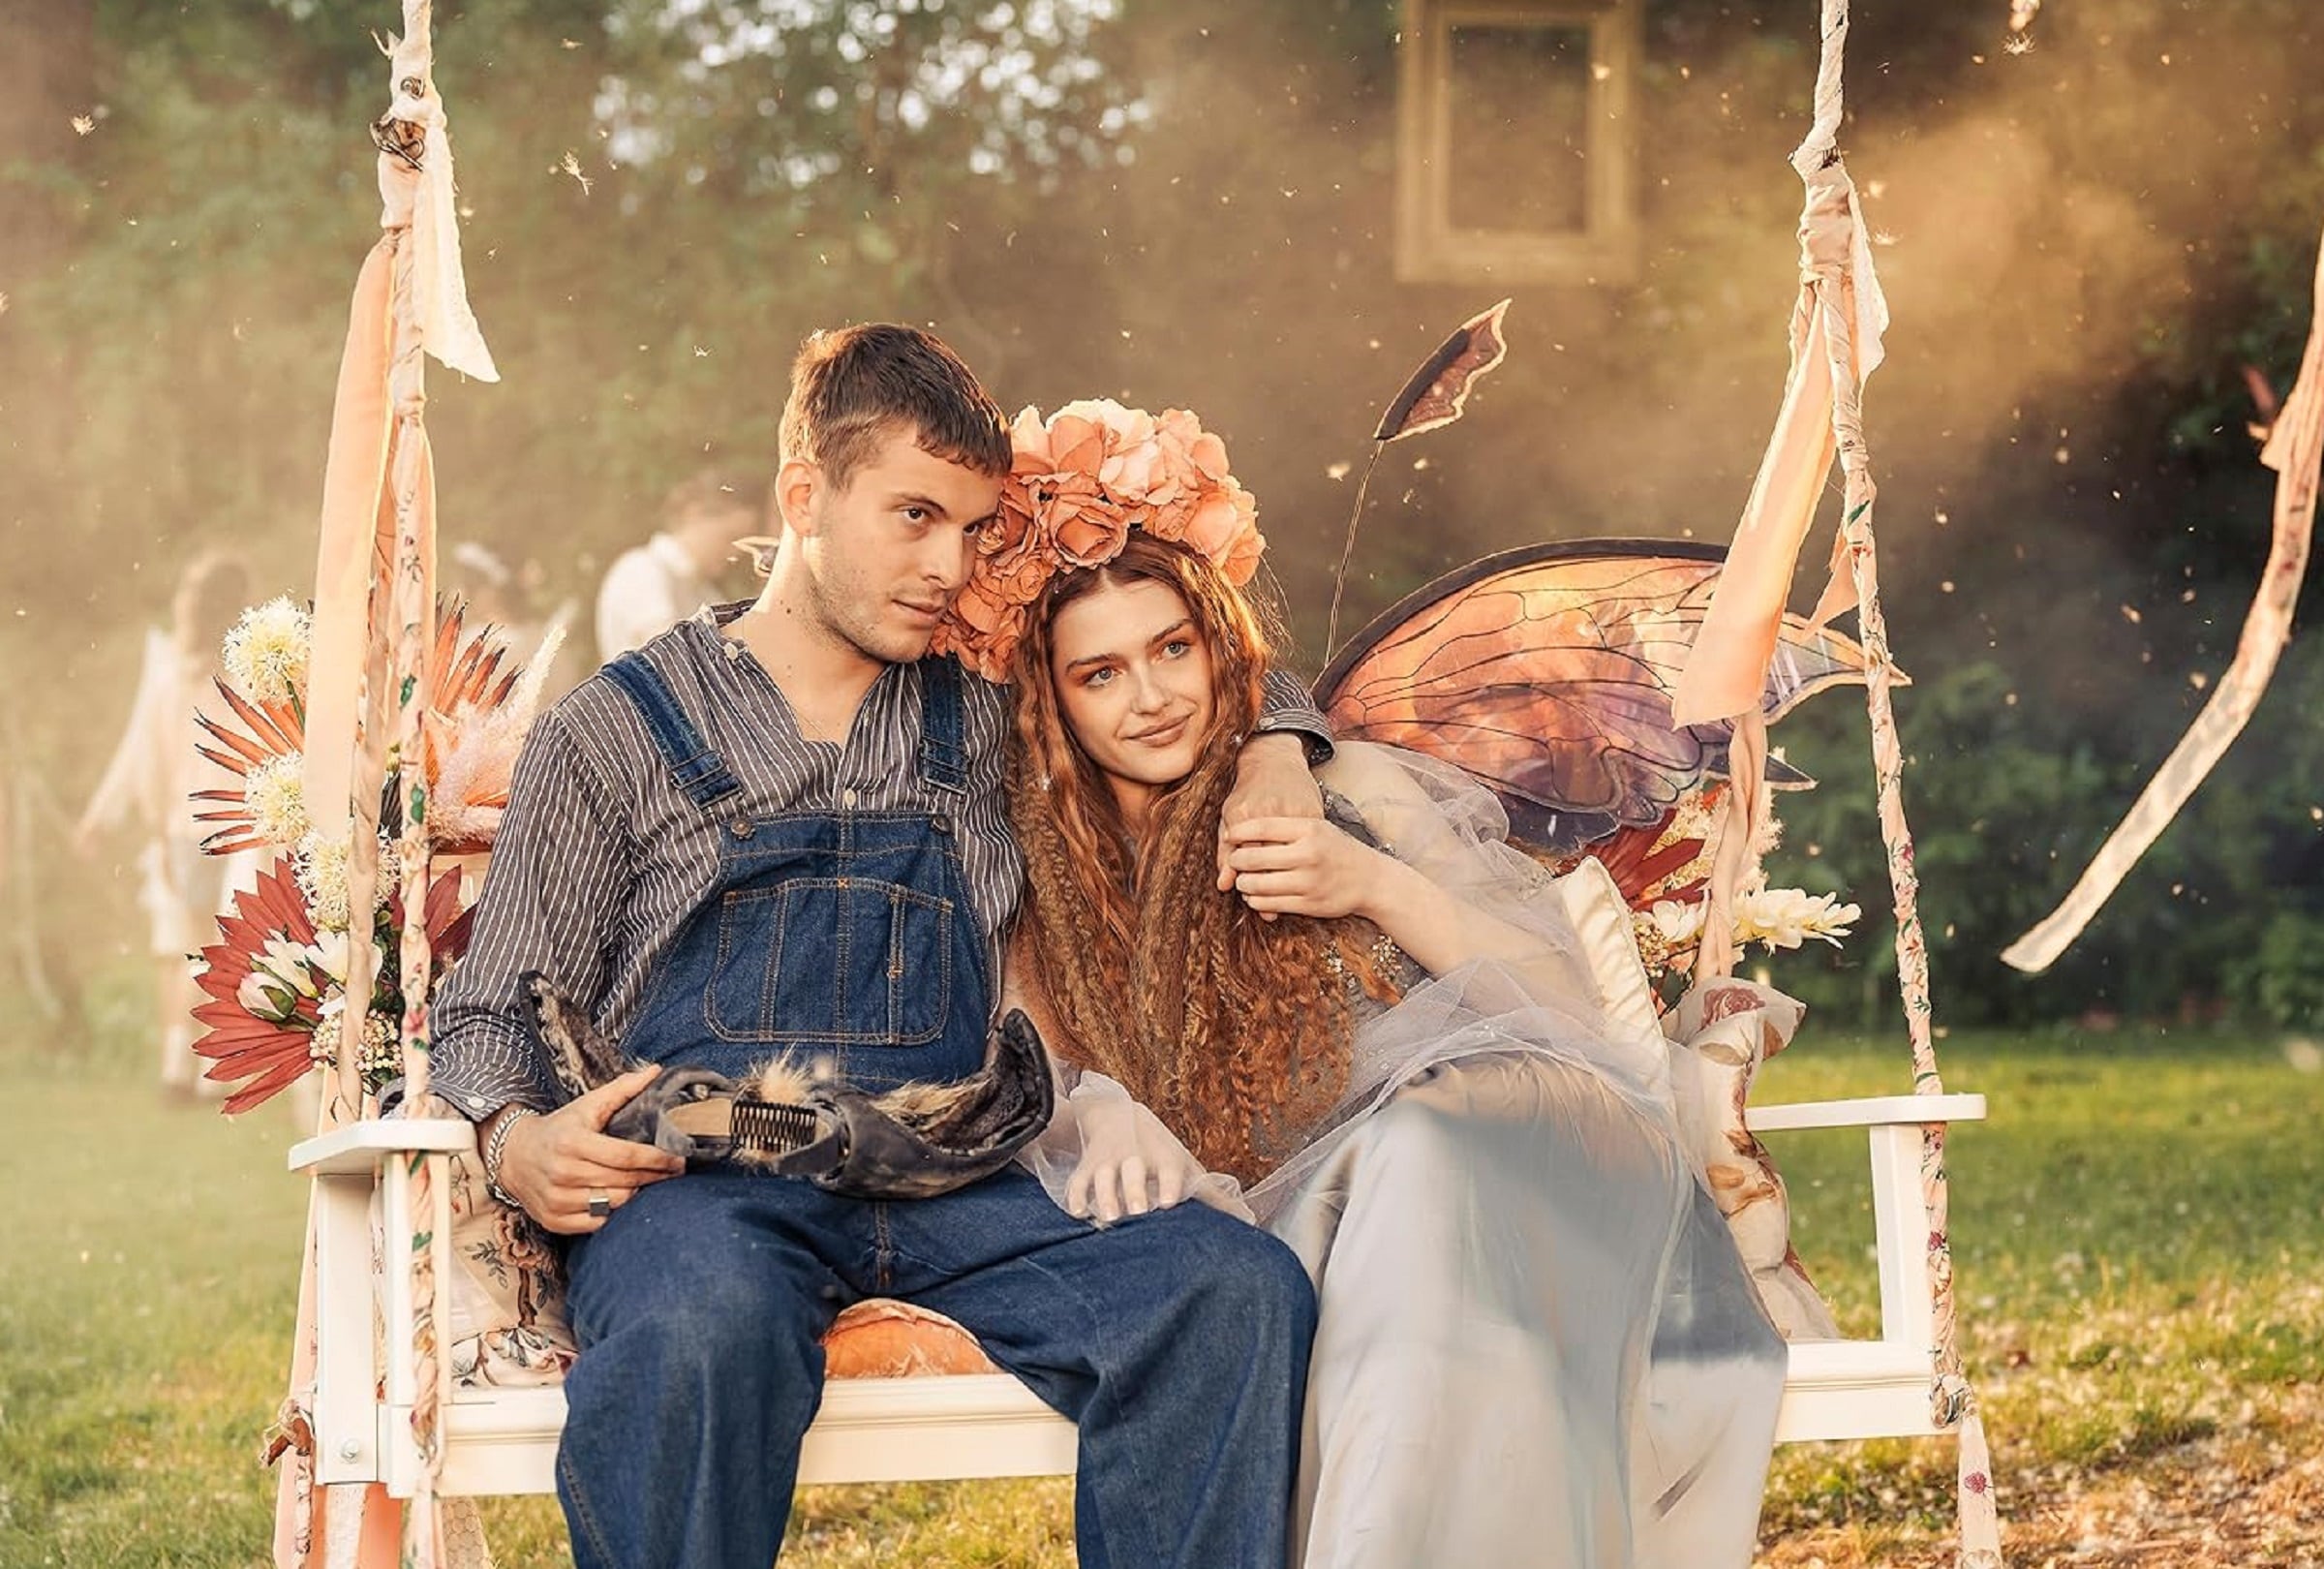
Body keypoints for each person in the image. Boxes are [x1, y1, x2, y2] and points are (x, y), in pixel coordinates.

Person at [427, 326, 1332, 1569]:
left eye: (967, 529)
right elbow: (486, 1010)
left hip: (963, 1174)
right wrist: (514, 1139)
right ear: (803, 495)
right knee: (697, 1323)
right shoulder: (619, 730)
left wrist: (1281, 740)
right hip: (714, 1184)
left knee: (1231, 1293)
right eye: (913, 517)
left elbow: (1191, 663)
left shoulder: (987, 714)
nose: (947, 566)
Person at [972, 403, 1789, 1569]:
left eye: (1172, 650)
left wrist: (1369, 881)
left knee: (1425, 1144)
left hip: (1527, 1138)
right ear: (1051, 701)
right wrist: (1100, 1103)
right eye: (1100, 674)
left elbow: (1569, 1013)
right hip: (1337, 1199)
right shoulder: (1049, 875)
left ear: (1218, 646)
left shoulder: (1339, 782)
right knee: (1379, 1219)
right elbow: (1027, 1064)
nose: (1151, 696)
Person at [76, 551, 258, 1099]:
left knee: (194, 944)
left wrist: (157, 826)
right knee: (215, 945)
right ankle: (196, 1066)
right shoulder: (238, 677)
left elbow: (152, 763)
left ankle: (187, 1064)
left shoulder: (176, 680)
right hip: (230, 823)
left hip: (188, 825)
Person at [593, 469, 761, 662]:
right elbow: (673, 659)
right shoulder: (641, 569)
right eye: (731, 537)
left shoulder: (704, 593)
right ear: (694, 515)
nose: (736, 554)